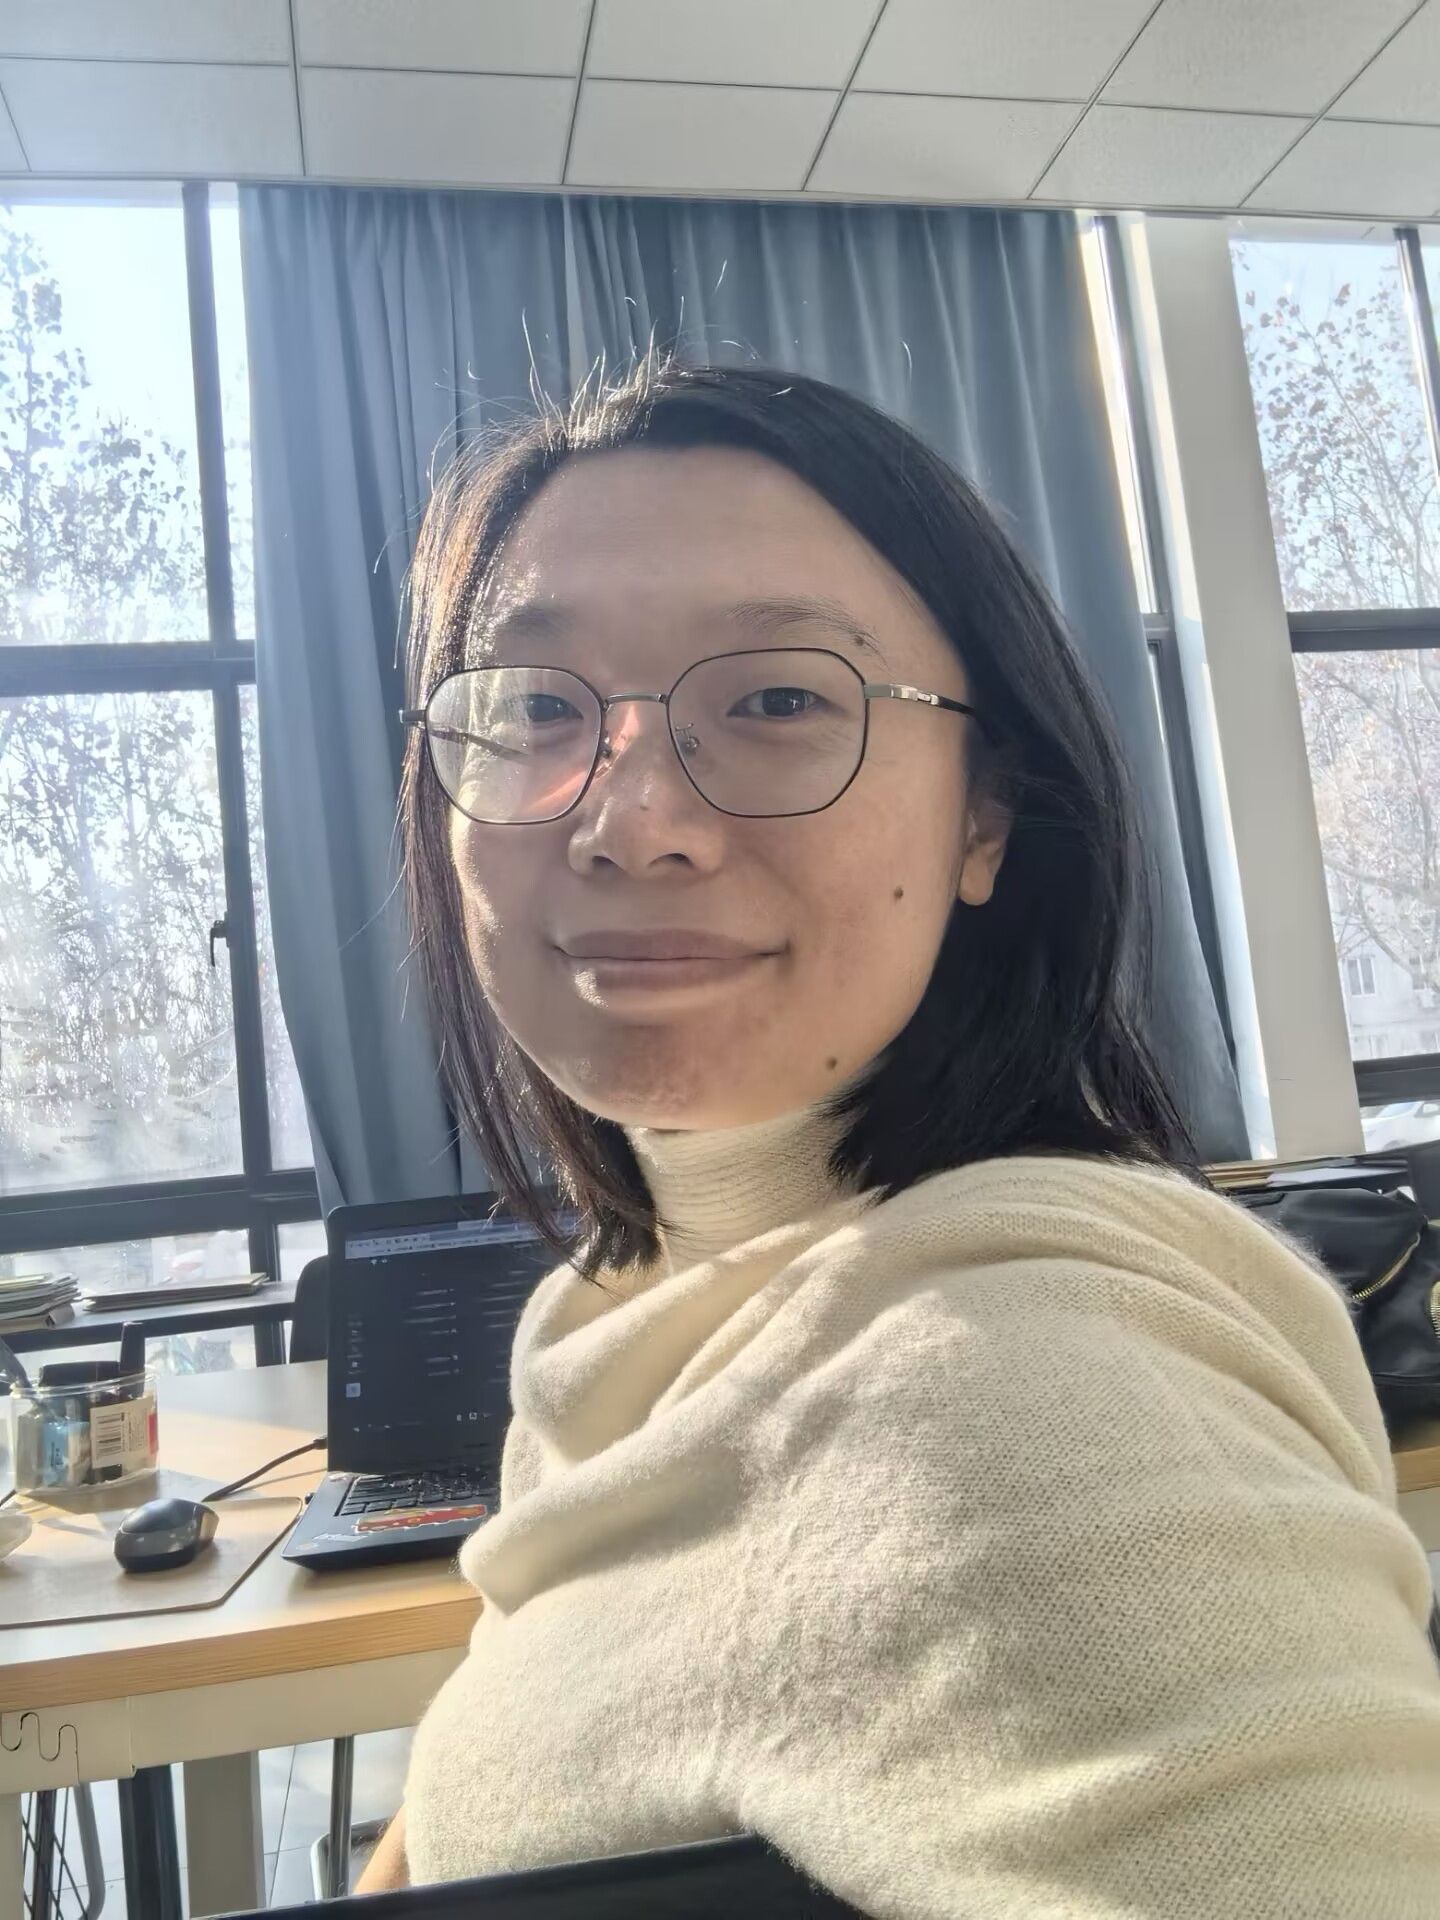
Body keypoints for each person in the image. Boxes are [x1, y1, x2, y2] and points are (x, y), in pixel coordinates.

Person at [356, 358, 1440, 1912]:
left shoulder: (1032, 1388)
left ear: (986, 814)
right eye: (536, 707)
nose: (628, 820)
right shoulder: (629, 1307)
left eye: (778, 700)